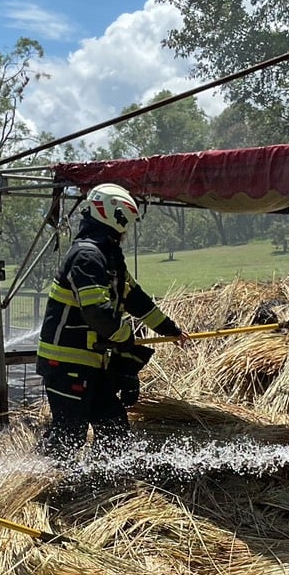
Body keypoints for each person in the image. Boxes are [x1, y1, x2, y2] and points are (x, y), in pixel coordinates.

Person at [35, 183, 186, 459]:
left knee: (114, 429)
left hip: (91, 364)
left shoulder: (107, 258)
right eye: (125, 225)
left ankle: (105, 486)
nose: (126, 233)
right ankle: (39, 482)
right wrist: (124, 337)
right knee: (69, 435)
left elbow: (135, 299)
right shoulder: (87, 257)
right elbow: (97, 313)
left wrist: (170, 330)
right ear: (113, 217)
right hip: (67, 363)